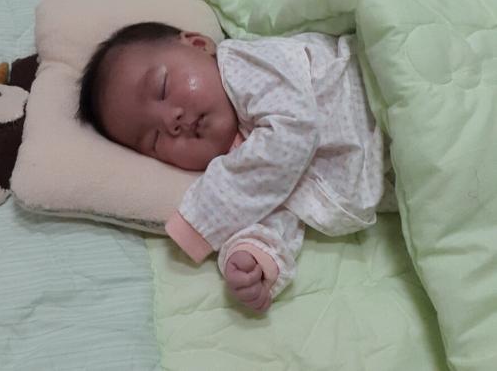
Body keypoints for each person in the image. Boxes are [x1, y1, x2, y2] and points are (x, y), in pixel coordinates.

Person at [78, 21, 393, 313]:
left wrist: (201, 217)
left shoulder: (242, 65)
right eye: (154, 139)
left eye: (162, 88)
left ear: (199, 45)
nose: (171, 121)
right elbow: (269, 204)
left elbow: (292, 132)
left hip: (384, 86)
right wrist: (251, 256)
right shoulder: (239, 161)